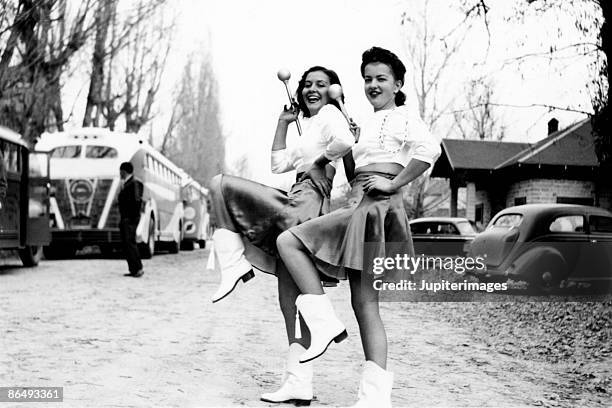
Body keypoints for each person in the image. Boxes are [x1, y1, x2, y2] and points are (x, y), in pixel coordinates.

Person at [276, 47, 441, 407]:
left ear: (398, 84)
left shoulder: (404, 117)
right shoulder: (365, 123)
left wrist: (394, 184)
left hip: (377, 206)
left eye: (381, 78)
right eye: (367, 78)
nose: (372, 84)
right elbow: (354, 174)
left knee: (290, 242)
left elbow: (430, 150)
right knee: (363, 303)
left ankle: (324, 325)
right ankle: (373, 400)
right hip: (358, 201)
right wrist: (349, 150)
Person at [208, 66, 355, 404]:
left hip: (302, 206)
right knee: (290, 303)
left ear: (333, 90)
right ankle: (298, 382)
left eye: (321, 84)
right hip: (301, 204)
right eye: (307, 84)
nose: (311, 89)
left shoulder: (332, 114)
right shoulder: (309, 127)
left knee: (220, 185)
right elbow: (277, 165)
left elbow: (346, 141)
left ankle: (234, 266)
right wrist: (283, 124)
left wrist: (319, 161)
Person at [118, 161, 144, 278]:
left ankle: (137, 268)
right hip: (127, 218)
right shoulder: (128, 183)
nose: (119, 174)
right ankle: (133, 269)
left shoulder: (134, 183)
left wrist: (130, 218)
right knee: (127, 243)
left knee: (130, 243)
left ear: (124, 171)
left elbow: (136, 201)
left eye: (120, 171)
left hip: (130, 219)